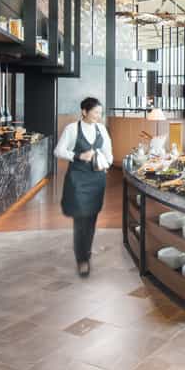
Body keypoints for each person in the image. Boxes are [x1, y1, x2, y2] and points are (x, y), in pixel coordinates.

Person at [53, 97, 113, 277]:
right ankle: (82, 260)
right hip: (77, 180)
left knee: (91, 218)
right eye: (95, 112)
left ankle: (86, 252)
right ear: (84, 111)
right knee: (80, 219)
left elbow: (109, 154)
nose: (98, 116)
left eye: (100, 113)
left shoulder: (101, 129)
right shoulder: (72, 129)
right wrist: (78, 156)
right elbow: (58, 151)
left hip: (97, 180)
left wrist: (105, 162)